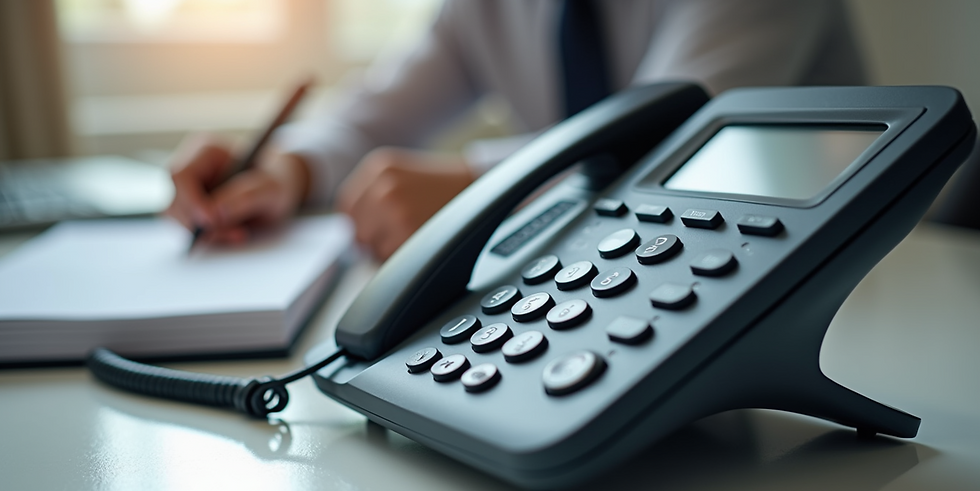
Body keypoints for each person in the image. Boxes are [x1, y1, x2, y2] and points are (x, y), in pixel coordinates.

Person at [167, 0, 866, 260]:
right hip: (640, 275)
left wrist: (481, 188)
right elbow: (372, 111)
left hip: (866, 285)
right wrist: (286, 169)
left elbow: (673, 139)